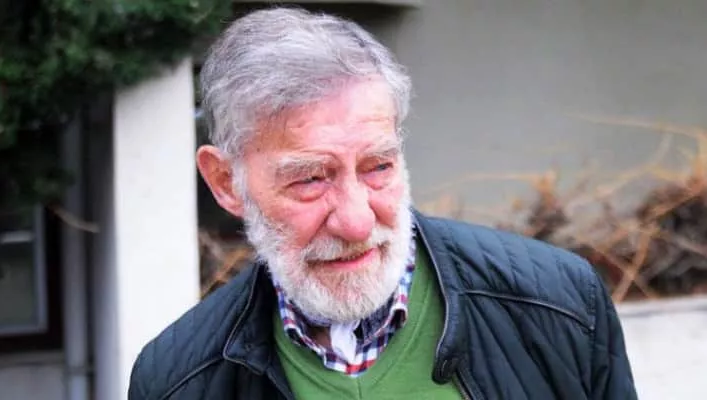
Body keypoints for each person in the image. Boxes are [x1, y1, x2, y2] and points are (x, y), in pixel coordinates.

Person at [128, 6, 637, 400]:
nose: (355, 222)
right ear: (225, 182)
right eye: (310, 179)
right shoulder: (176, 381)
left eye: (378, 167)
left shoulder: (561, 306)